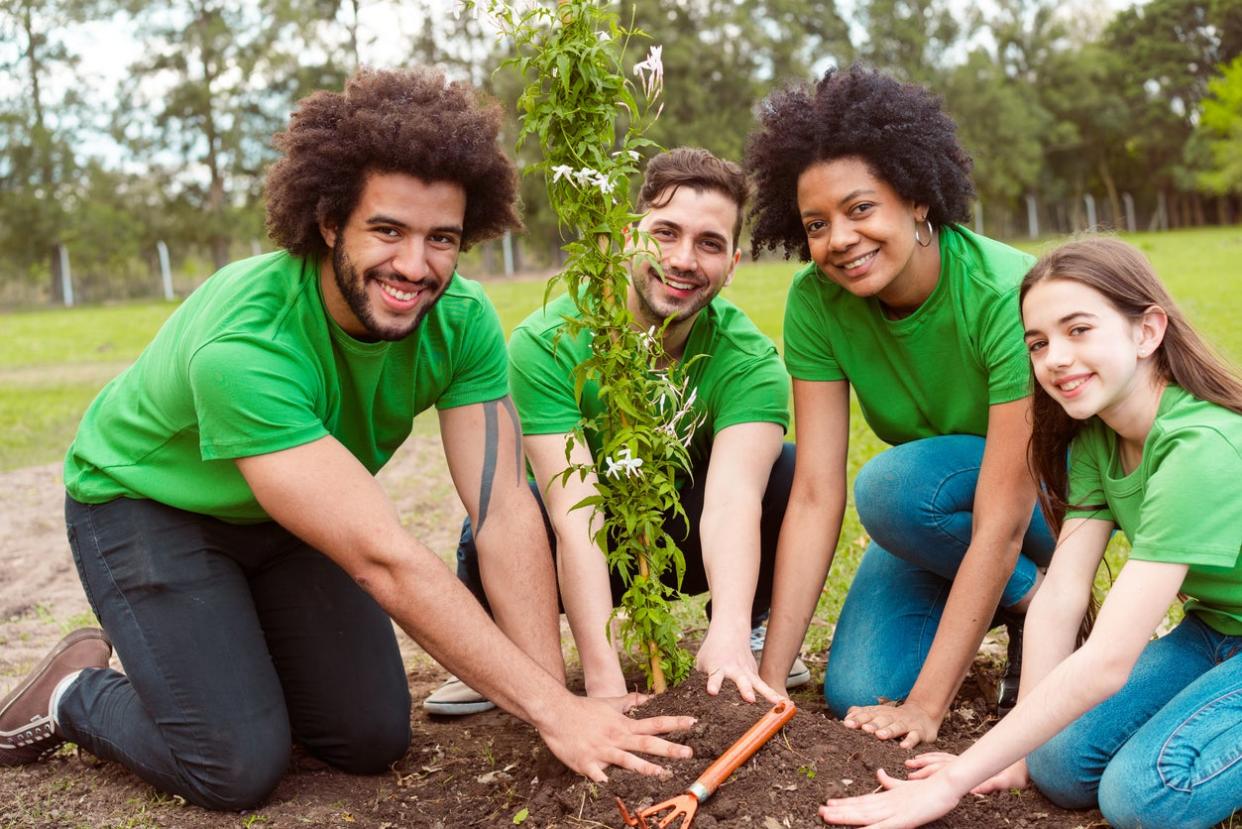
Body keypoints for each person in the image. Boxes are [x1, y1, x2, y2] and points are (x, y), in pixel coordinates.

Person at [0, 68, 695, 809]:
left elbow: (501, 509)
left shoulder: (461, 321)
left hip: (284, 519)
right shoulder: (248, 341)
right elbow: (381, 557)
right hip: (147, 506)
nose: (414, 266)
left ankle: (222, 660)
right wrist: (557, 713)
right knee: (233, 765)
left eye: (442, 239)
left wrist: (552, 698)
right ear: (331, 222)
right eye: (387, 230)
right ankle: (72, 692)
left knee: (369, 736)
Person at [818, 237, 1242, 829]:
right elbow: (1060, 596)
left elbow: (1108, 661)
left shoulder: (1199, 448)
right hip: (1215, 631)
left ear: (1147, 331)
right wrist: (1017, 753)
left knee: (1145, 798)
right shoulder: (1098, 437)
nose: (1056, 359)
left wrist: (953, 783)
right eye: (1038, 344)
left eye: (1079, 330)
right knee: (1057, 765)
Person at [425, 147, 807, 716]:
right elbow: (575, 517)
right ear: (630, 236)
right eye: (666, 232)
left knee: (785, 472)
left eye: (709, 244)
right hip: (568, 541)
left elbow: (731, 503)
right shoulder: (546, 342)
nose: (682, 259)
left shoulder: (749, 360)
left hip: (680, 536)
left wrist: (725, 628)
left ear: (734, 264)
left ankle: (740, 636)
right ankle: (500, 657)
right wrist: (601, 684)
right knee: (514, 510)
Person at [745, 64, 1055, 746]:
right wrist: (767, 683)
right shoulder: (815, 302)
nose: (840, 240)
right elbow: (814, 494)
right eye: (817, 224)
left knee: (890, 486)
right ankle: (1032, 601)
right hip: (941, 514)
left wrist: (927, 706)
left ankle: (1051, 597)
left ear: (916, 199)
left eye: (861, 209)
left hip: (1044, 505)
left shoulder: (1006, 291)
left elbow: (1002, 519)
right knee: (858, 688)